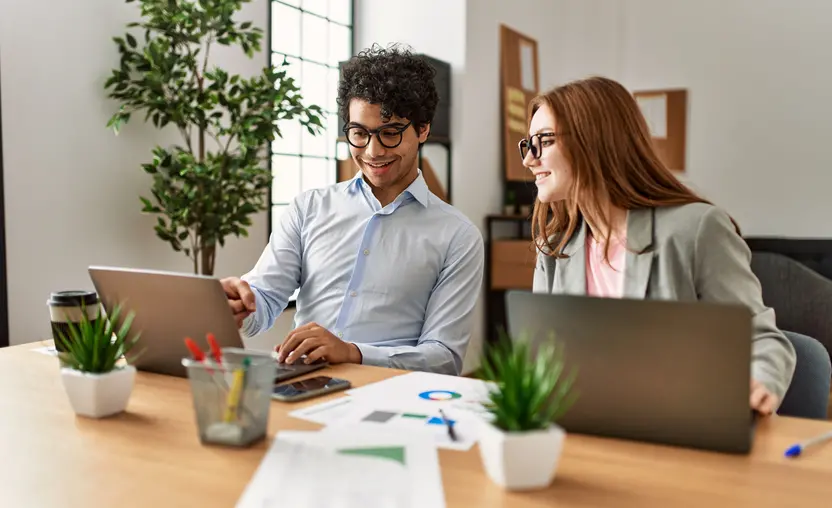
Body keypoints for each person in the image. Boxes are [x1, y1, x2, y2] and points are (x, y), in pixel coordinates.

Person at [522, 76, 795, 415]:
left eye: (544, 141)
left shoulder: (696, 230)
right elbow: (541, 360)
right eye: (528, 144)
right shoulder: (553, 248)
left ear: (595, 139)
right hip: (586, 425)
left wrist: (759, 382)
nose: (529, 160)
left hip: (680, 427)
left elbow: (762, 340)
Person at [220, 45, 484, 375]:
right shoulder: (308, 208)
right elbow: (264, 299)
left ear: (423, 129)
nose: (373, 151)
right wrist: (239, 303)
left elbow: (444, 356)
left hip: (393, 395)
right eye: (359, 134)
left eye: (390, 133)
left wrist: (352, 353)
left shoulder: (458, 236)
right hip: (304, 385)